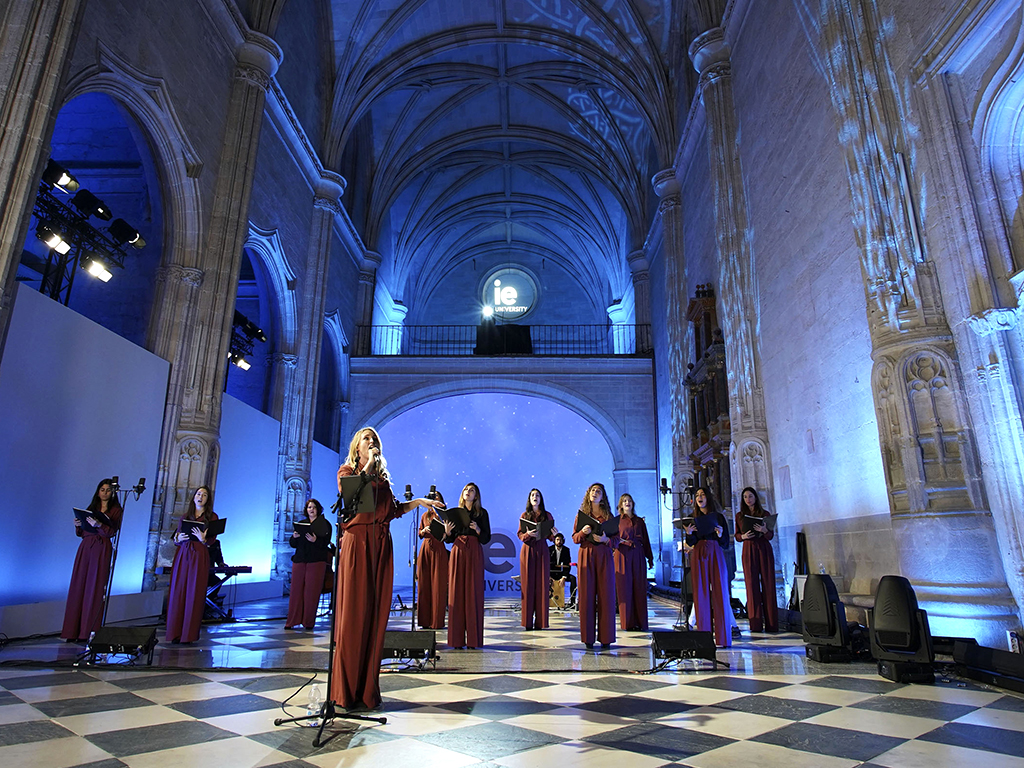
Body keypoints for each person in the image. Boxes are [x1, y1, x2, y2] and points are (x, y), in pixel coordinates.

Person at [331, 427, 442, 711]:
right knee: (354, 614)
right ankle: (345, 691)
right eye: (367, 440)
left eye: (375, 440)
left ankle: (366, 689)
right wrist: (368, 465)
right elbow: (352, 497)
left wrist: (418, 502)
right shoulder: (347, 472)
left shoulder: (382, 480)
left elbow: (392, 510)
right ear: (357, 447)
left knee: (375, 615)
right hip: (357, 543)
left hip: (381, 544)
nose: (372, 443)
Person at [61, 478, 123, 642]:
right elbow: (81, 533)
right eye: (102, 489)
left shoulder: (116, 510)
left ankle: (88, 631)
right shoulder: (92, 508)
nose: (105, 492)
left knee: (94, 588)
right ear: (98, 491)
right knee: (78, 586)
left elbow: (111, 532)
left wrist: (98, 525)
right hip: (86, 546)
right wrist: (78, 525)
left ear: (113, 492)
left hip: (101, 547)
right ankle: (71, 631)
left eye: (108, 490)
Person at [166, 485, 218, 644]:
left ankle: (188, 634)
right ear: (194, 497)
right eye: (198, 494)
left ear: (208, 499)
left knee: (194, 592)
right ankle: (175, 632)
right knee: (178, 590)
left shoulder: (212, 517)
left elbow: (212, 540)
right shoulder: (185, 516)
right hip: (184, 553)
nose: (200, 496)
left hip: (199, 554)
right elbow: (177, 536)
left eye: (204, 495)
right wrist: (177, 539)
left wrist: (203, 539)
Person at [683, 486, 732, 647]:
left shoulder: (718, 517)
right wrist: (689, 534)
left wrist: (719, 534)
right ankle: (703, 638)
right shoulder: (692, 517)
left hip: (715, 551)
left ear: (708, 498)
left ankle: (723, 637)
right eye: (697, 495)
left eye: (702, 494)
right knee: (701, 593)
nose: (699, 497)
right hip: (698, 554)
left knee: (720, 591)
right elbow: (690, 542)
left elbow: (725, 543)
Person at [445, 482, 491, 649]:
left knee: (473, 592)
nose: (468, 492)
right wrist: (448, 532)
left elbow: (487, 538)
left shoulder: (482, 513)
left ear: (476, 495)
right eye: (465, 489)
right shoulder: (455, 512)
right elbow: (449, 539)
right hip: (458, 549)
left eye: (471, 490)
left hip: (474, 551)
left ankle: (473, 639)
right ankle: (456, 640)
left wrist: (478, 529)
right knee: (456, 592)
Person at [572, 482, 618, 648]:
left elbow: (617, 540)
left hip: (604, 556)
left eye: (599, 491)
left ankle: (606, 638)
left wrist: (607, 540)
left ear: (603, 495)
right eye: (593, 490)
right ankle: (588, 638)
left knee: (606, 596)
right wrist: (582, 533)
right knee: (586, 596)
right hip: (586, 555)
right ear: (588, 494)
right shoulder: (582, 515)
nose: (595, 492)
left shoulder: (608, 516)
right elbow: (575, 538)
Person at [285, 498, 332, 631]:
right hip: (300, 560)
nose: (311, 510)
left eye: (313, 507)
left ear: (318, 509)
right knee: (295, 591)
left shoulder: (324, 524)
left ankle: (308, 622)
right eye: (309, 507)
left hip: (316, 561)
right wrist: (294, 537)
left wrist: (315, 540)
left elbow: (325, 544)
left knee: (311, 592)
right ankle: (292, 621)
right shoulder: (302, 523)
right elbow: (293, 544)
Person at [735, 486, 778, 633]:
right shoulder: (740, 516)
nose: (748, 499)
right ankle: (755, 624)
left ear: (755, 498)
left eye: (750, 496)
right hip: (748, 549)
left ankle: (772, 624)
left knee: (768, 583)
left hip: (763, 548)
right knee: (751, 585)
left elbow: (770, 536)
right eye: (745, 497)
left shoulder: (764, 514)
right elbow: (737, 536)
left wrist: (764, 530)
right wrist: (743, 536)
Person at [518, 488, 557, 630]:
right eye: (532, 495)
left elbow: (551, 537)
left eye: (538, 495)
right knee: (527, 585)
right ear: (529, 499)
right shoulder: (525, 515)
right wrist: (528, 534)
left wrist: (554, 534)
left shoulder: (547, 515)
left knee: (542, 585)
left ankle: (541, 622)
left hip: (541, 550)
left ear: (541, 499)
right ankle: (527, 622)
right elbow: (520, 535)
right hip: (528, 550)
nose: (535, 497)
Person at [614, 493, 654, 631]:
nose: (627, 503)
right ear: (620, 505)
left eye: (629, 500)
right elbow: (612, 541)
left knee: (639, 587)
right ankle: (627, 623)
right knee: (624, 588)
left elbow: (646, 540)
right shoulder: (617, 521)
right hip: (622, 555)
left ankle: (641, 622)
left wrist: (650, 557)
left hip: (638, 553)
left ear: (633, 504)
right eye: (624, 501)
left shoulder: (639, 521)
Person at [416, 489, 448, 629]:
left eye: (437, 498)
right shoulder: (424, 515)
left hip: (439, 548)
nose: (434, 500)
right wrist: (423, 531)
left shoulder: (444, 515)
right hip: (426, 549)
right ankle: (424, 620)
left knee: (438, 585)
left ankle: (436, 621)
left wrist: (447, 532)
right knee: (424, 584)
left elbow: (449, 535)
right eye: (432, 498)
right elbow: (419, 531)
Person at [549, 533, 576, 608]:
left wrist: (564, 577)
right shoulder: (549, 549)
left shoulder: (566, 550)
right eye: (557, 540)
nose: (559, 542)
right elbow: (546, 565)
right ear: (554, 541)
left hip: (562, 574)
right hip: (551, 574)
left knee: (573, 579)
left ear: (563, 541)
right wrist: (548, 576)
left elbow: (568, 565)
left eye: (560, 540)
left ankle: (572, 602)